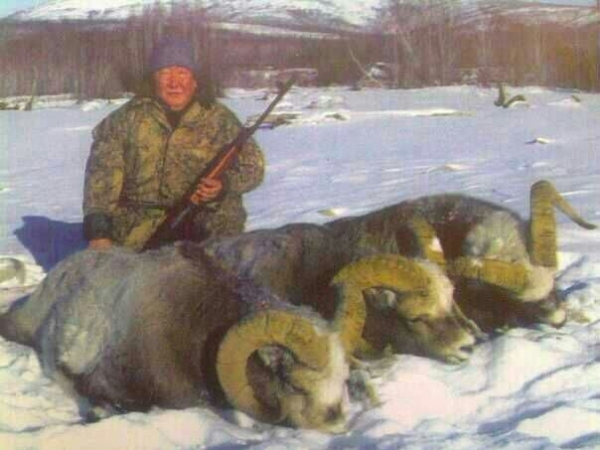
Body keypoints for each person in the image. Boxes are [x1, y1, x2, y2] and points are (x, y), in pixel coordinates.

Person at [83, 38, 265, 251]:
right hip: (141, 227)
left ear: (195, 80)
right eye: (165, 73)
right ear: (152, 79)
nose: (174, 83)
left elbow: (254, 167)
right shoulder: (124, 120)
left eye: (182, 72)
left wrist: (224, 185)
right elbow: (101, 177)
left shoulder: (221, 119)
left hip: (209, 222)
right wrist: (98, 232)